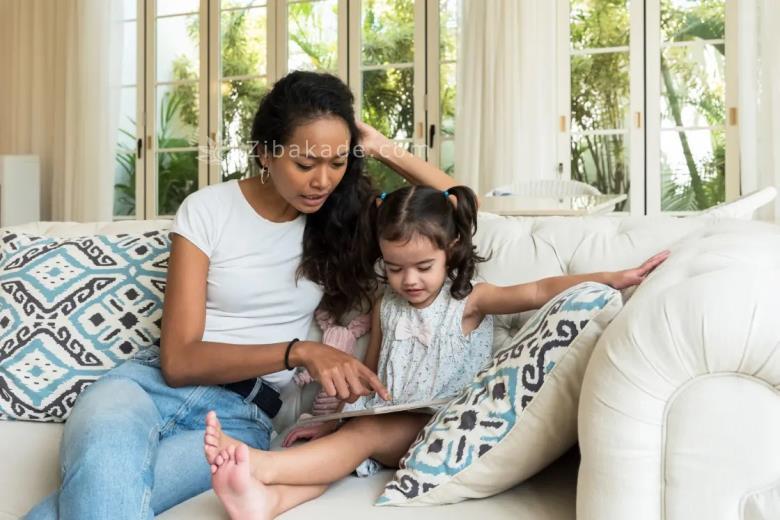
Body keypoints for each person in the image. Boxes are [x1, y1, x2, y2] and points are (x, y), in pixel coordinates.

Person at [25, 70, 457, 520]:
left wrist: (379, 145)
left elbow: (458, 206)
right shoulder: (208, 210)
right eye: (306, 164)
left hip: (240, 416)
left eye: (337, 162)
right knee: (106, 475)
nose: (323, 181)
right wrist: (298, 352)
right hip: (143, 388)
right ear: (266, 153)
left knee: (87, 503)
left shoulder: (344, 221)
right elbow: (179, 361)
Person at [203, 185, 670, 520]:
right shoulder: (387, 305)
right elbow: (370, 375)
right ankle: (269, 502)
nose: (409, 280)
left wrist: (612, 278)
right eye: (394, 268)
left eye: (424, 266)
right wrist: (332, 421)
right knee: (340, 447)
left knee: (363, 435)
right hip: (388, 421)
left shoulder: (470, 301)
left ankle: (260, 464)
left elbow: (538, 290)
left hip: (437, 424)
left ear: (451, 249)